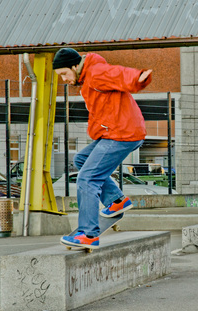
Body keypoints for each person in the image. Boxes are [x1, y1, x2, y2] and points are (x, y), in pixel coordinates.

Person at [53, 48, 152, 249]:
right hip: (114, 132)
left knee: (87, 178)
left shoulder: (96, 72)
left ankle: (88, 234)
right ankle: (117, 200)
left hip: (121, 134)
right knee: (80, 160)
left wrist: (138, 77)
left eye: (64, 74)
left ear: (74, 65)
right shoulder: (88, 77)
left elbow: (118, 74)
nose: (64, 79)